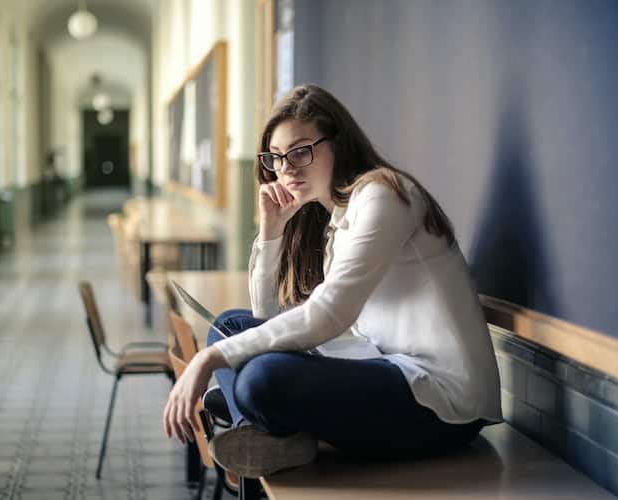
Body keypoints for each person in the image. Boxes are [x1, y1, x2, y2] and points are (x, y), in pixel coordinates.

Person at [163, 84, 502, 478]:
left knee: (260, 376)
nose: (287, 168)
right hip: (381, 365)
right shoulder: (336, 221)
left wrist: (208, 361)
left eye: (301, 151)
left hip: (441, 403)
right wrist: (271, 232)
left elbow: (330, 314)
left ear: (338, 144)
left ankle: (262, 424)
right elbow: (266, 315)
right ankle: (268, 433)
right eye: (276, 158)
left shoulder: (384, 196)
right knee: (229, 329)